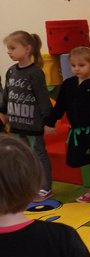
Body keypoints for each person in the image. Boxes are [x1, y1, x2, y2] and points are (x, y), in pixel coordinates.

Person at [44, 46, 90, 203]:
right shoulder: (69, 84)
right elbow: (60, 106)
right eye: (73, 65)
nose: (76, 69)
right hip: (76, 131)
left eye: (81, 65)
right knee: (73, 160)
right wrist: (50, 122)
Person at [0, 31, 53, 200]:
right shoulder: (11, 71)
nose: (9, 52)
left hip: (33, 123)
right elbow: (7, 93)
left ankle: (45, 187)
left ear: (27, 49)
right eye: (8, 49)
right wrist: (3, 111)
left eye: (13, 48)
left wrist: (48, 120)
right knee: (22, 155)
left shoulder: (35, 72)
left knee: (39, 154)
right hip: (16, 122)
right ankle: (29, 185)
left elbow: (43, 98)